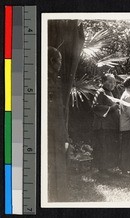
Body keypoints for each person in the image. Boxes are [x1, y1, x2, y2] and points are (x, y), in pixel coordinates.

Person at [48, 46, 68, 201]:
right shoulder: (47, 79)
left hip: (58, 128)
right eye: (59, 60)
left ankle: (58, 194)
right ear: (52, 61)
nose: (61, 63)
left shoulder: (56, 78)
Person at [91, 74, 120, 176]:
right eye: (110, 82)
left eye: (114, 82)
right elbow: (95, 107)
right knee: (102, 147)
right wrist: (112, 108)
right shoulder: (100, 92)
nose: (113, 84)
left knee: (108, 147)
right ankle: (101, 170)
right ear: (103, 81)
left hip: (110, 125)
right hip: (102, 126)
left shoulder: (110, 93)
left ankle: (107, 168)